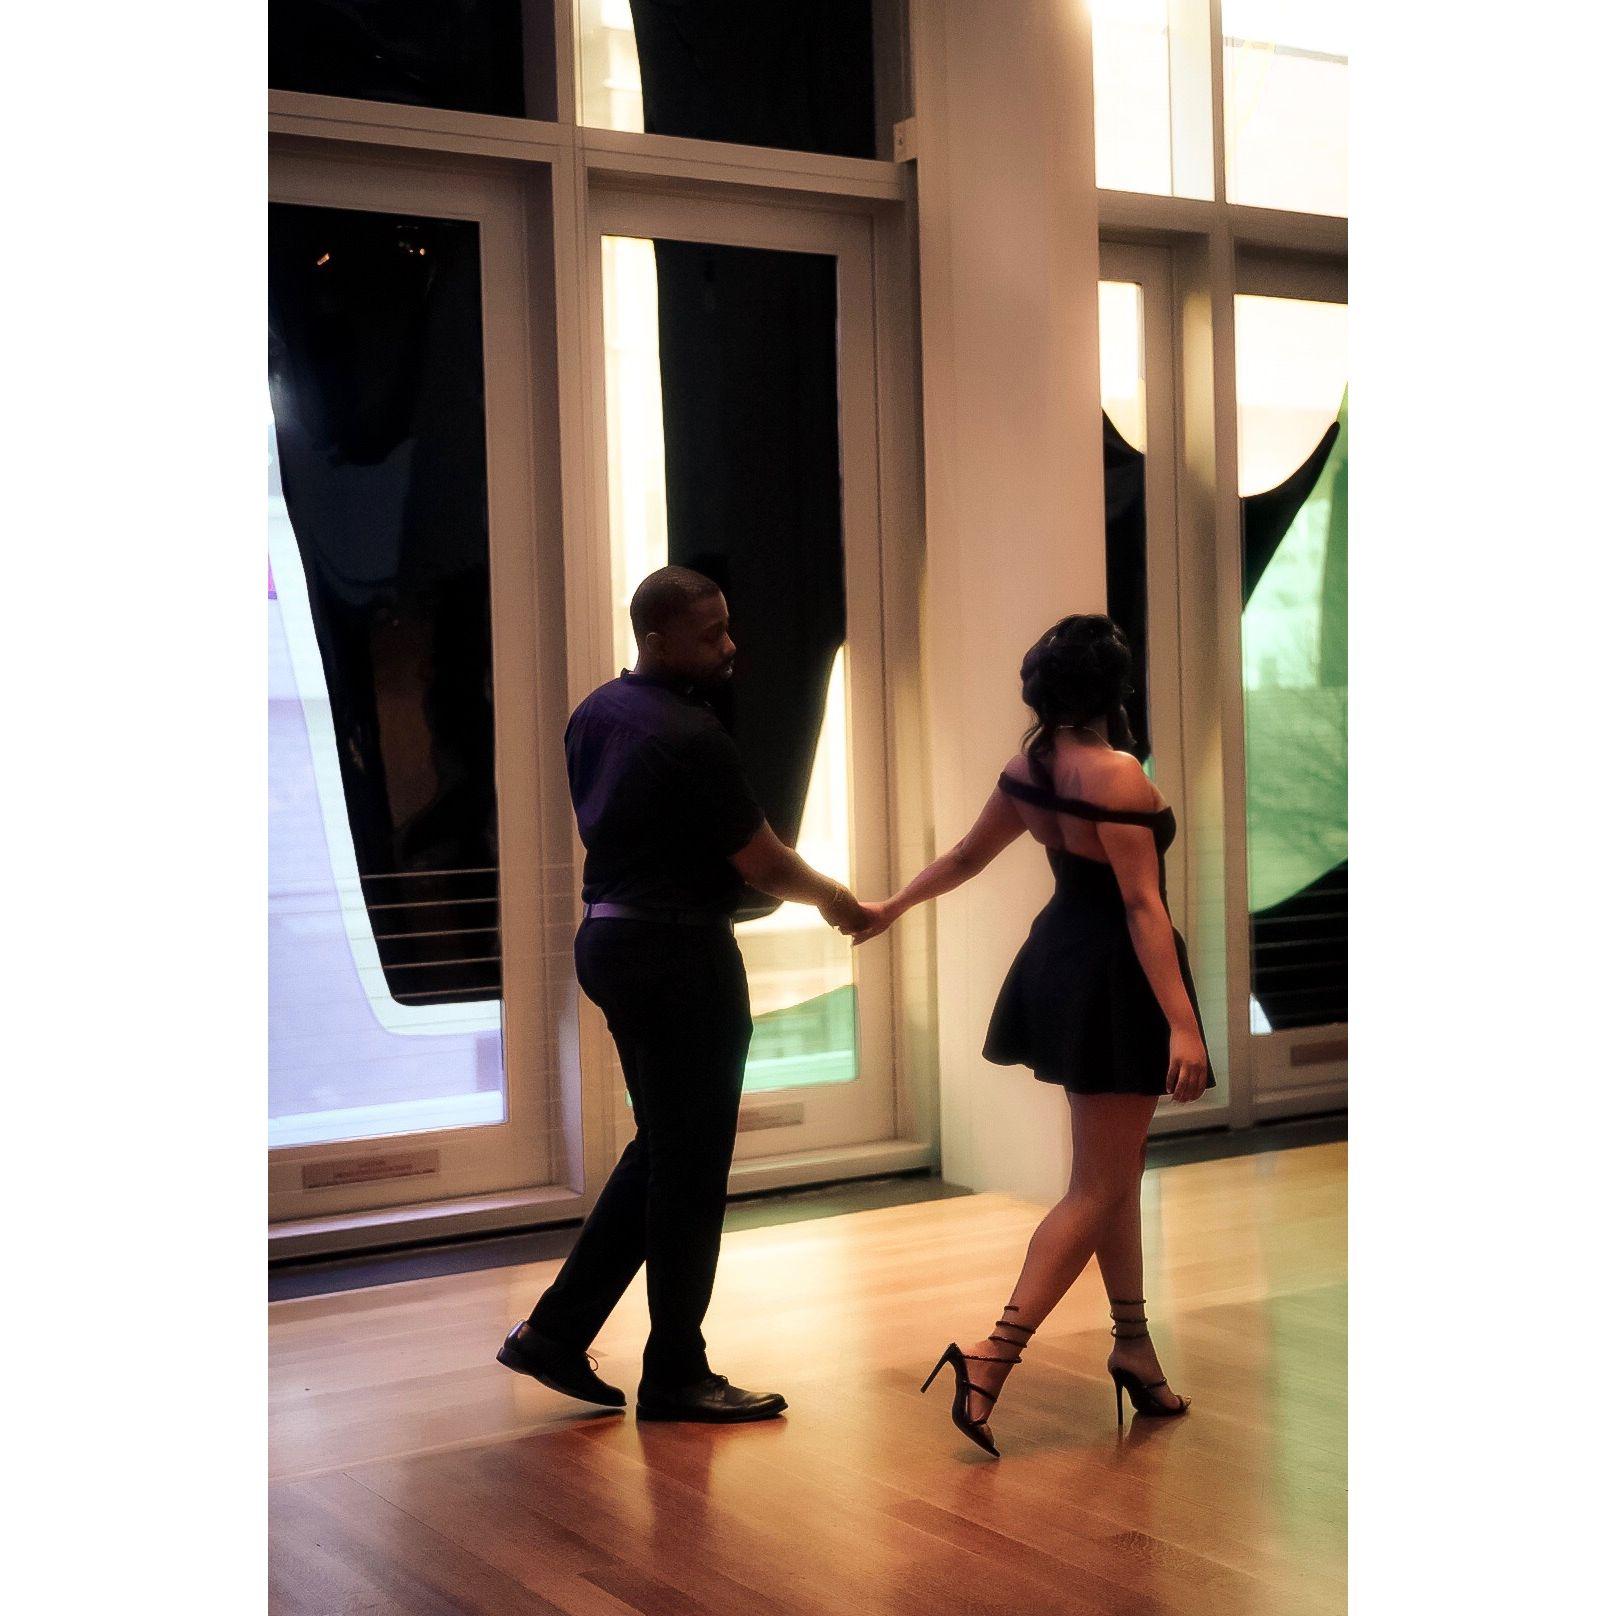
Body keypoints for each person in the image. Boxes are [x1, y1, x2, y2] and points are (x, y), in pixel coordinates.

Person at [499, 565, 874, 1423]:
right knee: (692, 1170)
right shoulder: (692, 735)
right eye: (711, 636)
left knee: (667, 1150)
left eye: (728, 627)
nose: (730, 646)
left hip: (611, 939)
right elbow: (763, 863)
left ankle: (554, 1334)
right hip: (678, 954)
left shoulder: (596, 712)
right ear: (657, 639)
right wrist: (837, 901)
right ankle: (676, 1372)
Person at [850, 614, 1212, 1456]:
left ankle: (1134, 1348)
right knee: (1097, 1186)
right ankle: (991, 1354)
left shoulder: (1032, 766)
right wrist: (1184, 1025)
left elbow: (965, 857)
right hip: (1118, 977)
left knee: (1113, 1176)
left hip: (1060, 963)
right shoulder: (1119, 776)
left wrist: (890, 907)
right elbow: (1141, 905)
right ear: (1115, 688)